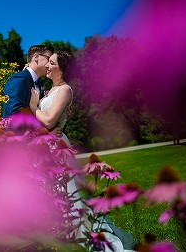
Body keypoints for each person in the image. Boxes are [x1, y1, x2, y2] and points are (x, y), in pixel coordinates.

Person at [29, 51, 135, 251]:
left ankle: (78, 239)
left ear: (62, 69)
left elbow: (50, 120)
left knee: (67, 197)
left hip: (57, 148)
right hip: (45, 146)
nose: (48, 66)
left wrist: (34, 107)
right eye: (48, 62)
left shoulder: (65, 90)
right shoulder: (49, 90)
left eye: (52, 63)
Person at [2, 45, 54, 118]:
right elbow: (14, 113)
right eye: (48, 59)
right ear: (36, 57)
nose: (49, 64)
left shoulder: (39, 84)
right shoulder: (20, 78)